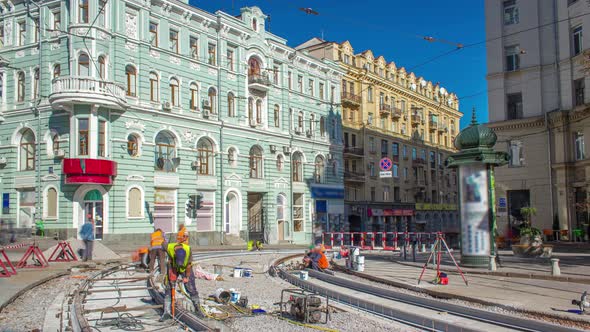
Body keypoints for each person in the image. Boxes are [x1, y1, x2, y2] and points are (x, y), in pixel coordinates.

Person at [160, 242, 200, 321]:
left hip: (185, 268)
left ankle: (198, 309)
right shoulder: (168, 247)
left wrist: (187, 277)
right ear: (175, 253)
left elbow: (188, 265)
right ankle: (167, 312)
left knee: (191, 288)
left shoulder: (188, 250)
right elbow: (162, 244)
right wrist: (167, 260)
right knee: (169, 287)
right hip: (173, 266)